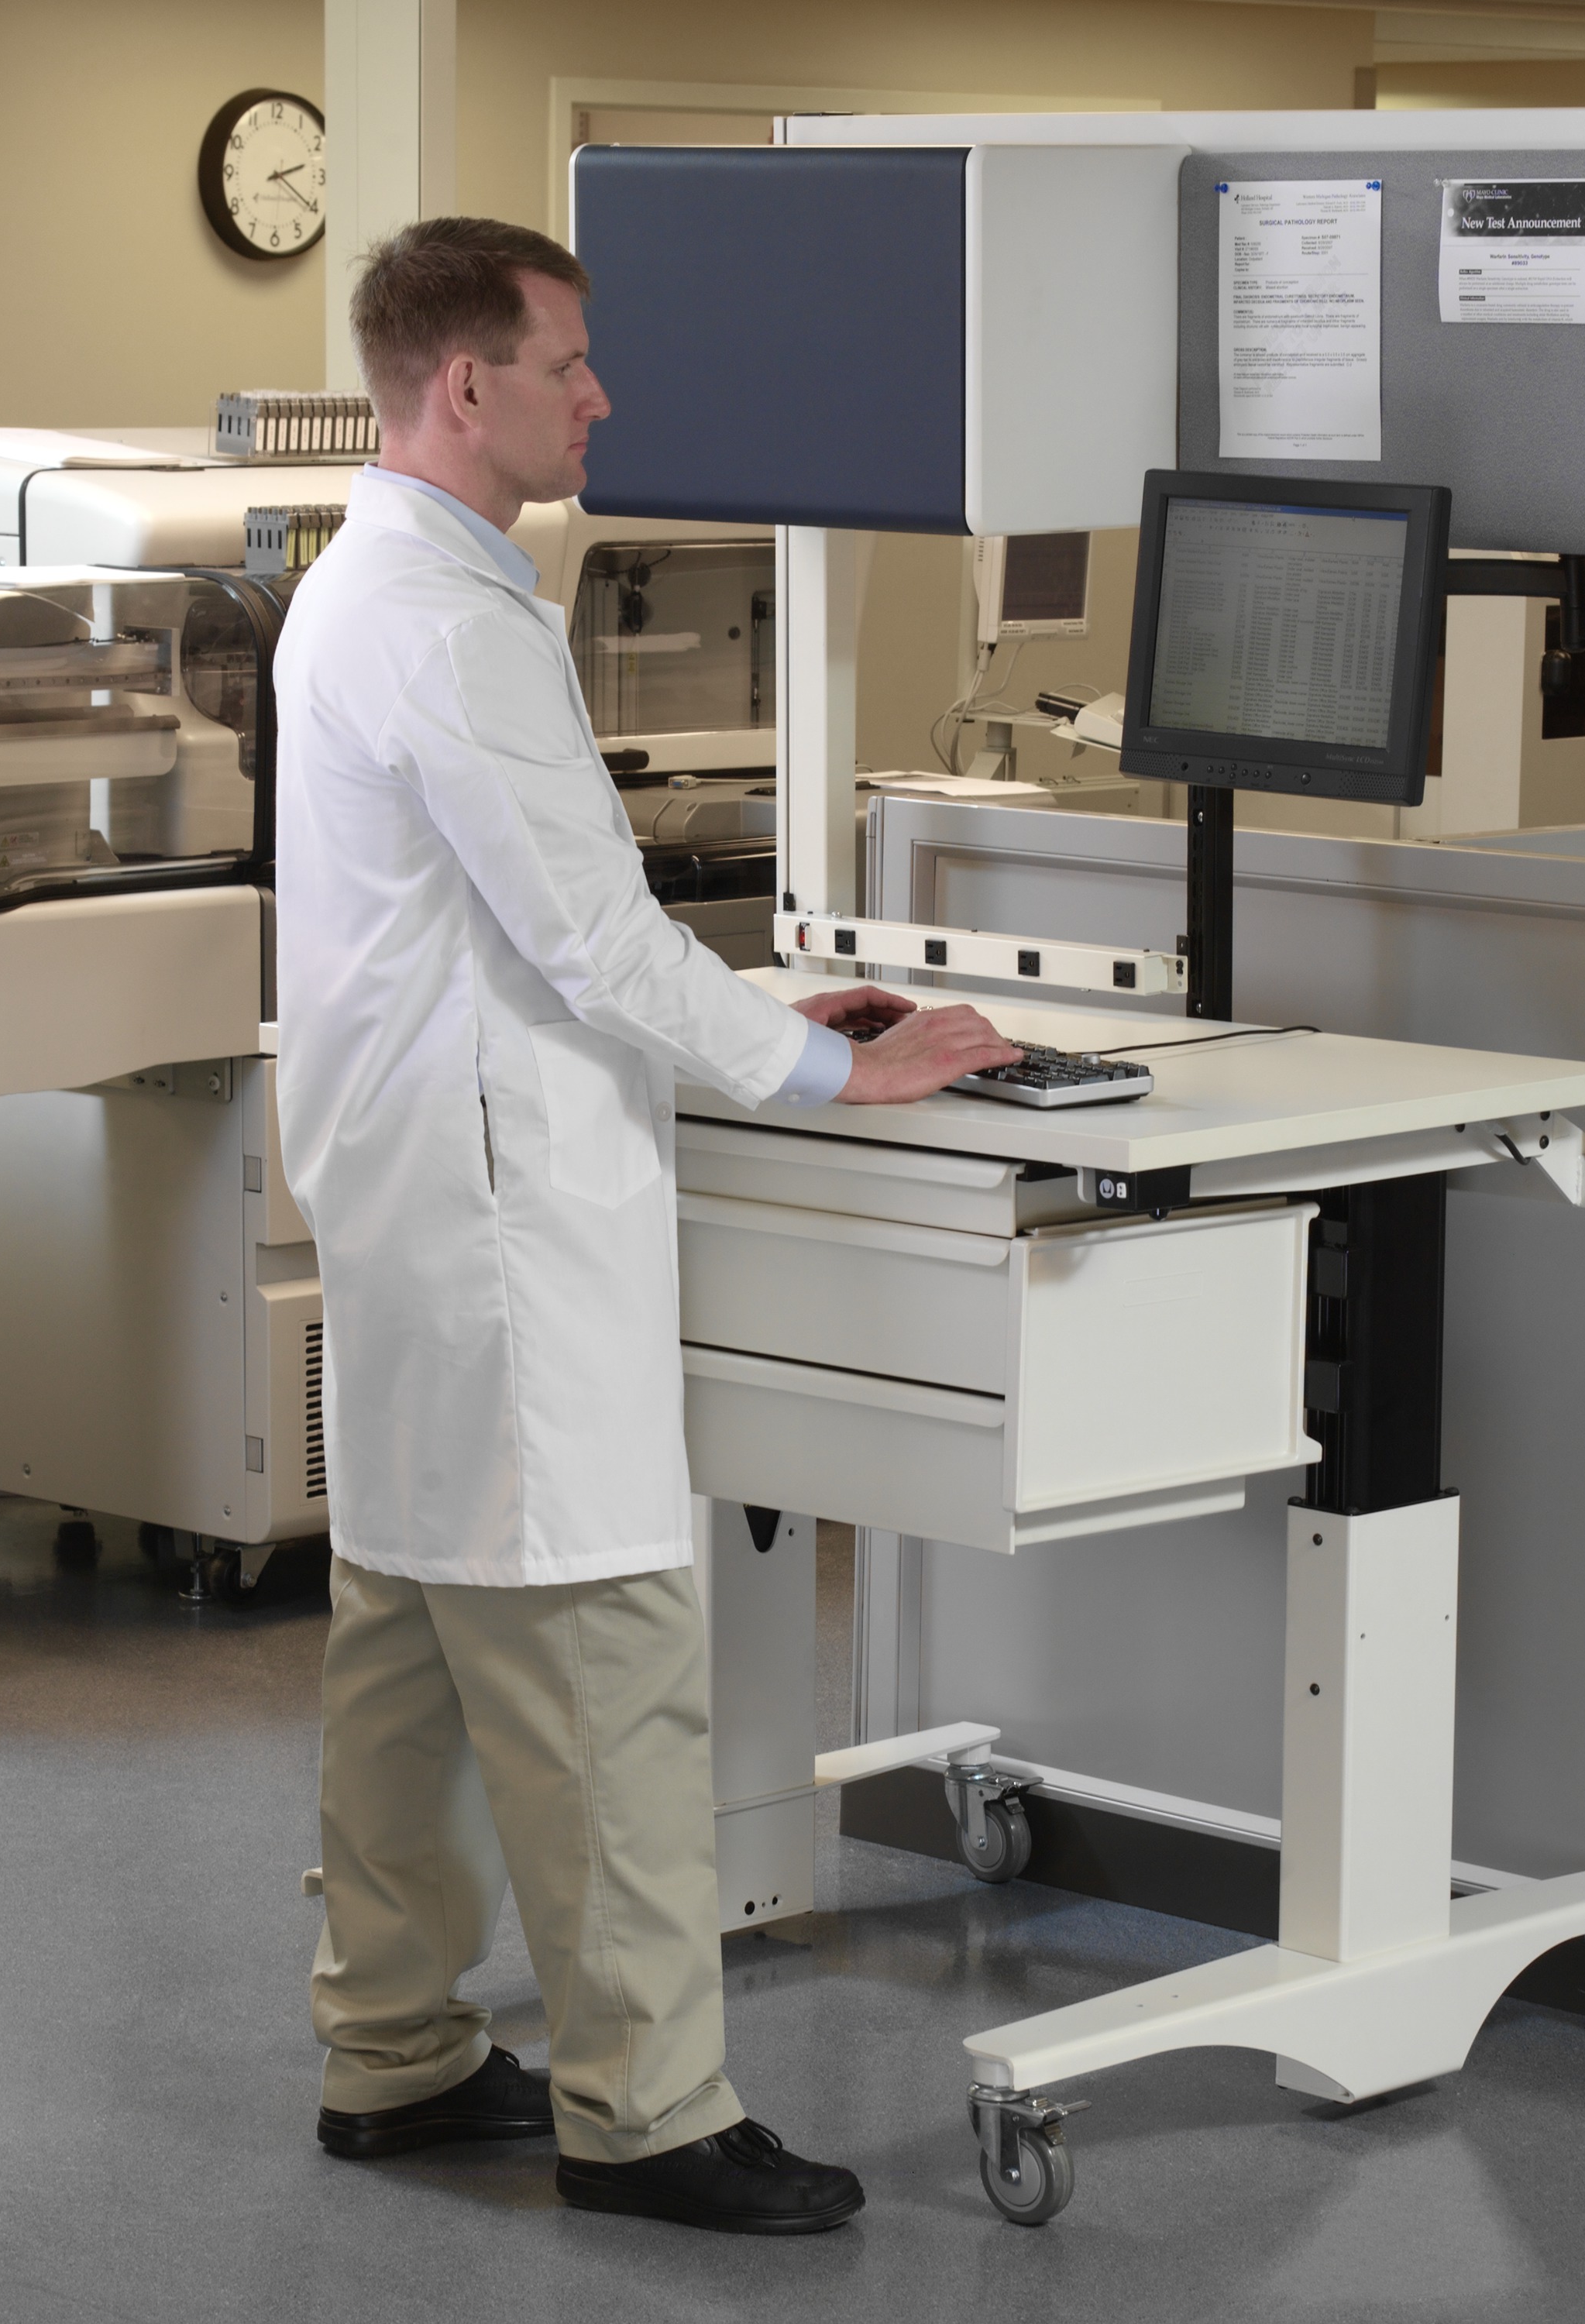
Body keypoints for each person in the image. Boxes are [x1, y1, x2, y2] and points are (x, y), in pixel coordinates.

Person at [274, 215, 1019, 2236]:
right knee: (601, 1660)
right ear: (467, 385)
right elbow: (597, 945)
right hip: (502, 1224)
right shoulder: (447, 624)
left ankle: (394, 2049)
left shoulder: (370, 587)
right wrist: (837, 1071)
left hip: (413, 1195)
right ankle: (650, 2115)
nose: (600, 397)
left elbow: (510, 930)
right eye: (569, 362)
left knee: (409, 1645)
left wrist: (770, 1012)